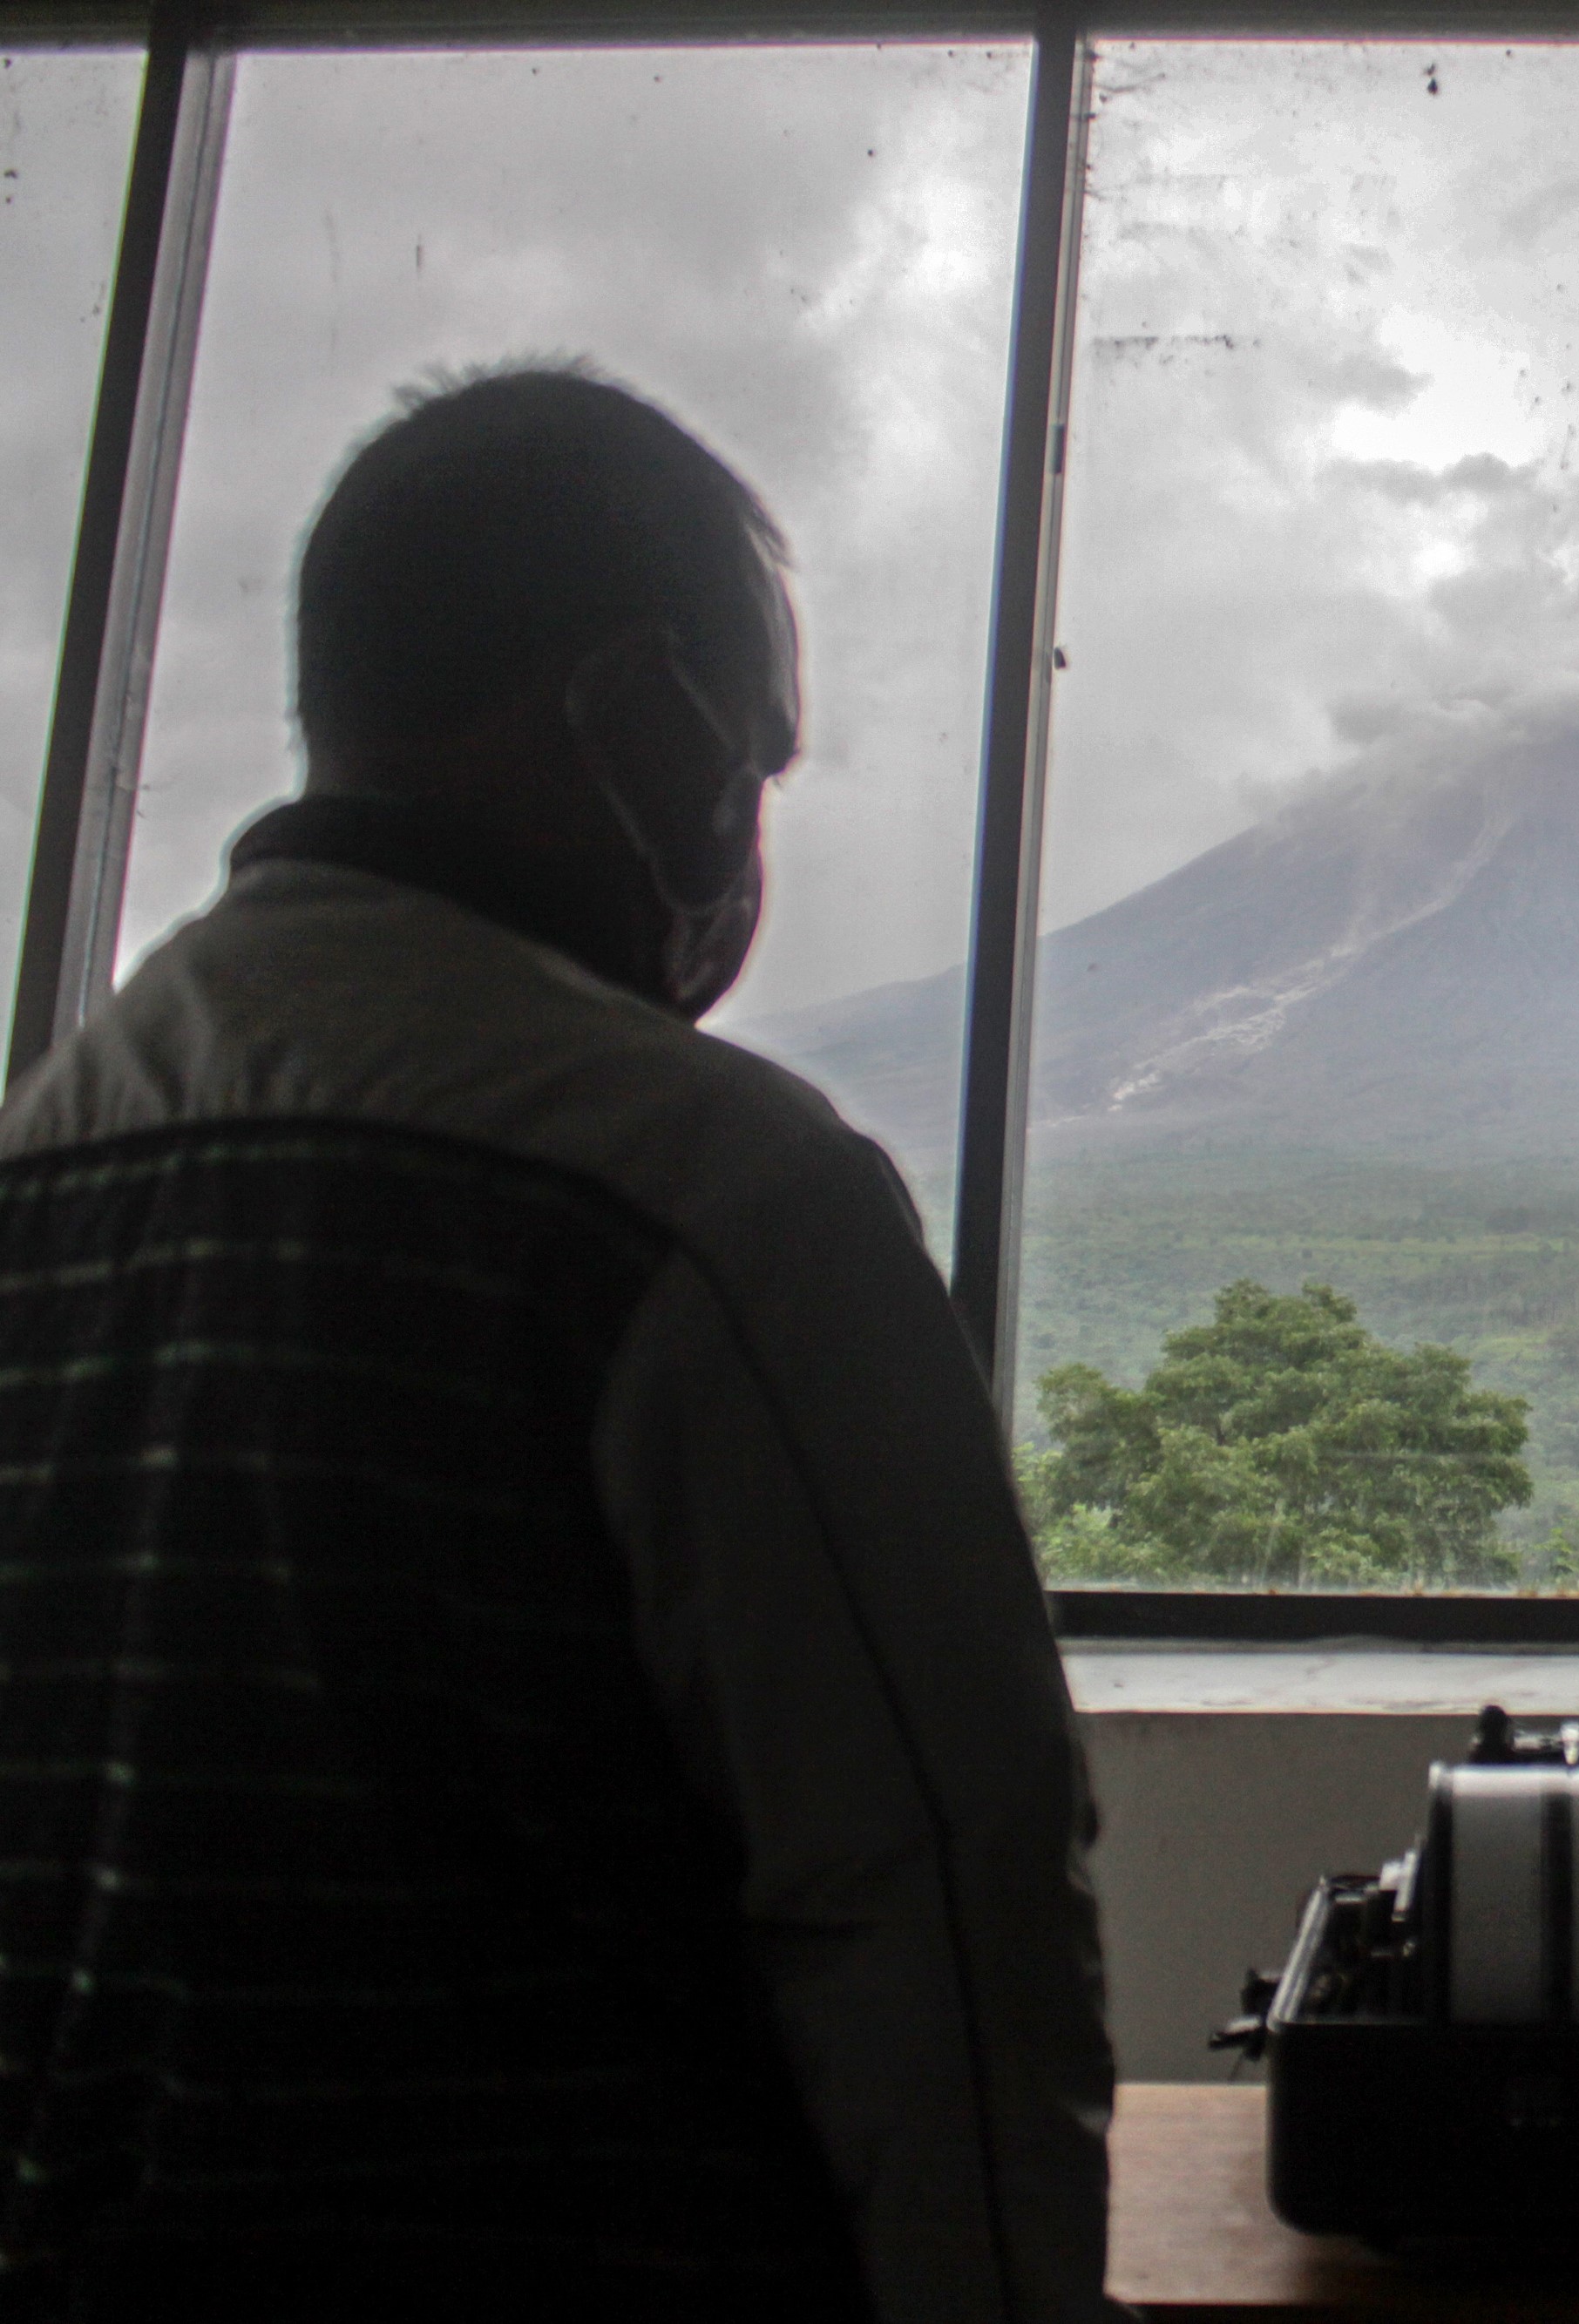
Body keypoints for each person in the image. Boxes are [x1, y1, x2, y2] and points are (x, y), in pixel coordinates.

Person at [0, 367, 1115, 2321]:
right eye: (751, 760)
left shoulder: (45, 1164)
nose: (745, 831)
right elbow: (941, 1900)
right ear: (637, 712)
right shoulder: (716, 1196)